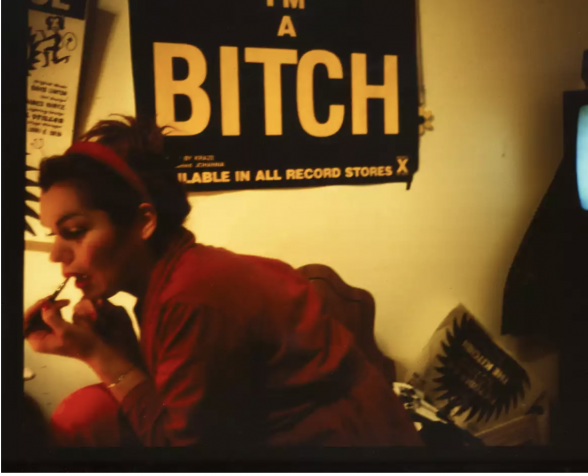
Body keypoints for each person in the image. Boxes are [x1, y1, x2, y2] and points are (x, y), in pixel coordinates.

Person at [24, 116, 422, 447]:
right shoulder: (174, 278)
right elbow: (185, 390)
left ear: (144, 222)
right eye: (53, 235)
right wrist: (116, 342)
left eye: (74, 230)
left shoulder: (192, 295)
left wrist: (96, 354)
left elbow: (184, 453)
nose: (58, 255)